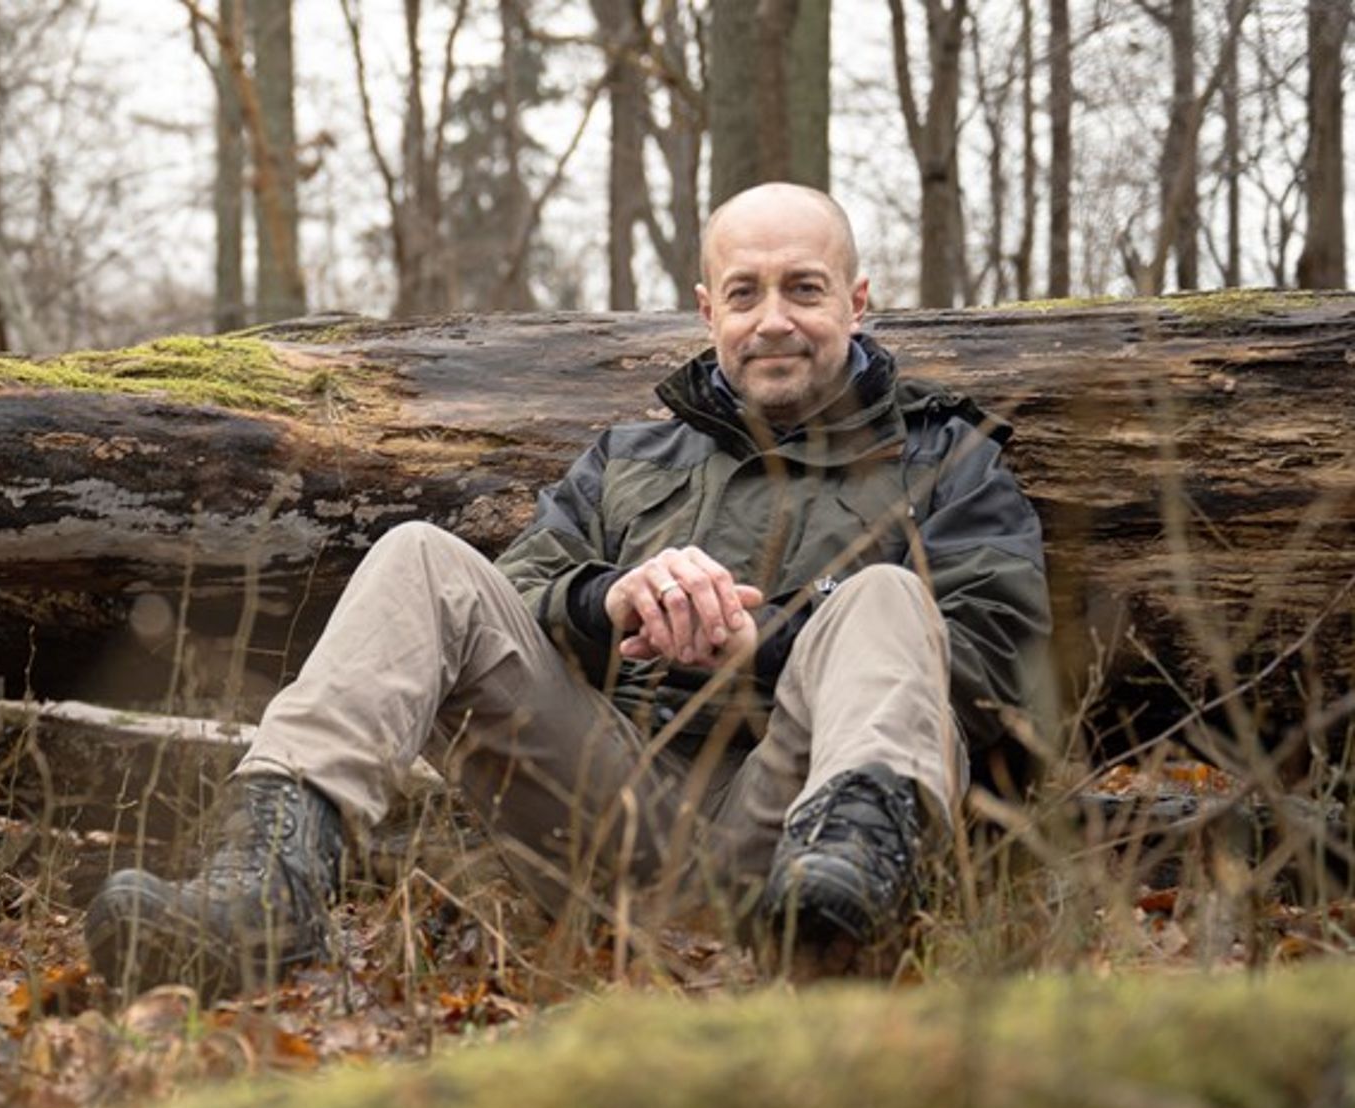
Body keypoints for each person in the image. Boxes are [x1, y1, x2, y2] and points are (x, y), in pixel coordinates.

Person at [85, 183, 1053, 995]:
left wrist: (772, 646)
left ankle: (841, 917)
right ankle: (265, 889)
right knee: (421, 558)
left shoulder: (947, 461)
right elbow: (513, 600)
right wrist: (610, 604)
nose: (773, 321)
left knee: (886, 597)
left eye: (803, 289)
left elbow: (1002, 673)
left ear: (856, 300)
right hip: (611, 816)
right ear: (706, 306)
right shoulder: (629, 459)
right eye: (744, 292)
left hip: (804, 833)